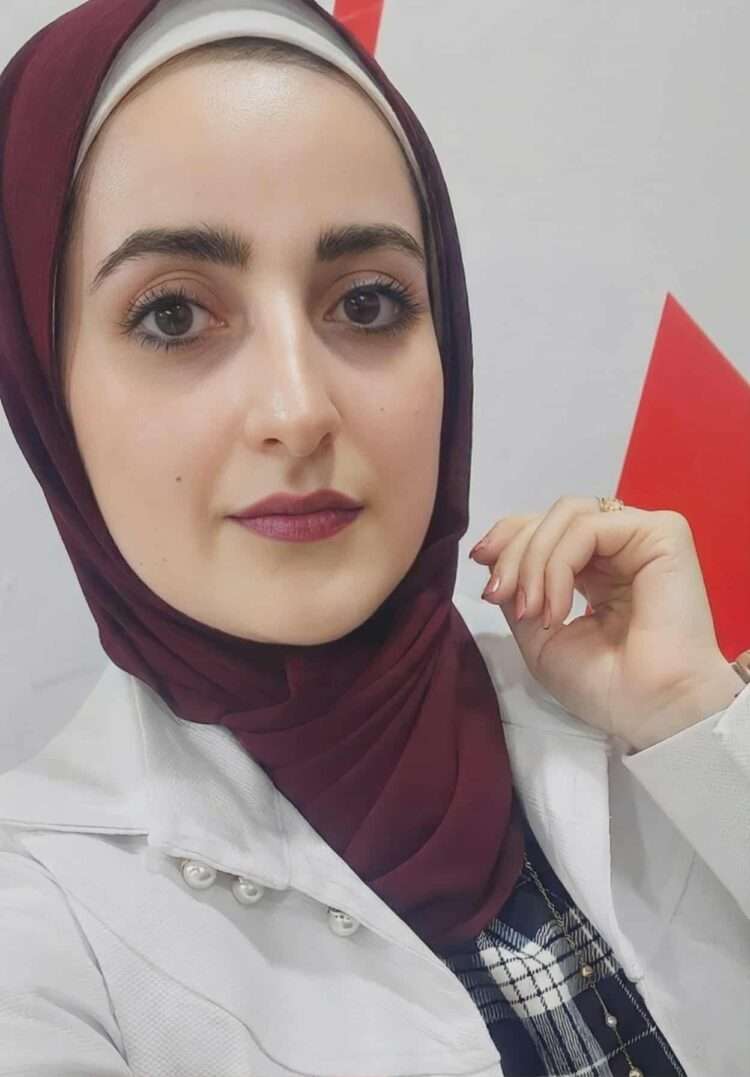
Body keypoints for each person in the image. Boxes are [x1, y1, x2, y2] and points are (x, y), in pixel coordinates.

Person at [0, 1, 747, 1074]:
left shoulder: (628, 720)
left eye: (366, 303)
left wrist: (695, 723)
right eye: (173, 315)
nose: (299, 410)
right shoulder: (39, 927)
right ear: (45, 388)